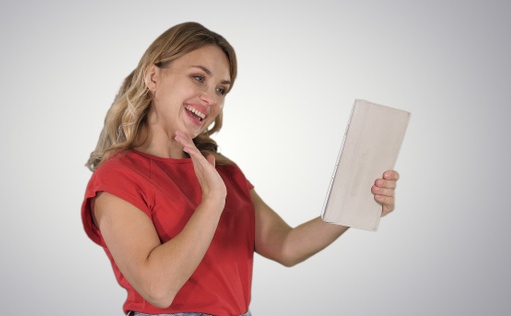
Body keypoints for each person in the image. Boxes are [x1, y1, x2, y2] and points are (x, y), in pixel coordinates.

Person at [81, 22, 400, 316]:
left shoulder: (222, 172)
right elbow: (158, 289)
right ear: (154, 77)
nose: (210, 98)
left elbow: (286, 246)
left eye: (221, 89)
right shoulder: (118, 177)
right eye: (198, 77)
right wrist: (211, 202)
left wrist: (356, 205)